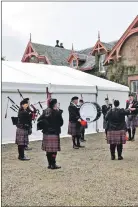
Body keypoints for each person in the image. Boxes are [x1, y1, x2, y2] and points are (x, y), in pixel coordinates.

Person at [38, 99, 63, 170]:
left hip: (46, 133)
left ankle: (49, 164)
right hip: (54, 133)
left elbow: (39, 120)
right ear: (54, 104)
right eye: (56, 103)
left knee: (48, 150)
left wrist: (46, 125)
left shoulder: (45, 111)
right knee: (54, 150)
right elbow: (61, 123)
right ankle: (53, 164)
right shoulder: (57, 112)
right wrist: (60, 113)